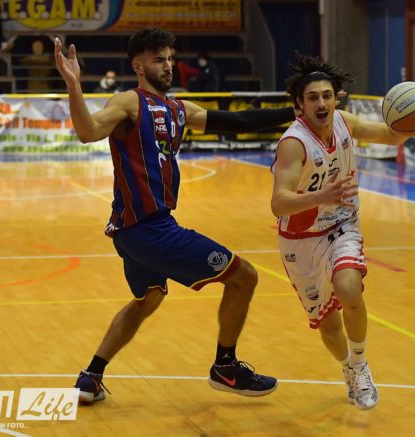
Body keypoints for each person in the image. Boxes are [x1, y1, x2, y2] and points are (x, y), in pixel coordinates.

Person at [54, 27, 301, 403]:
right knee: (244, 277)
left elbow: (237, 122)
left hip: (131, 232)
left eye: (170, 58)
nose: (168, 65)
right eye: (158, 59)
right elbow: (87, 132)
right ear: (138, 66)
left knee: (148, 299)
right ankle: (226, 367)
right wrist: (74, 86)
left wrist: (295, 113)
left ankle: (91, 376)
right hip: (152, 229)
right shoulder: (129, 102)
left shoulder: (179, 110)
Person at [270, 54, 415, 409]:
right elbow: (279, 204)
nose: (321, 103)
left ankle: (361, 363)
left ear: (336, 98)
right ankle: (348, 368)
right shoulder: (294, 143)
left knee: (349, 287)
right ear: (300, 104)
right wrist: (319, 196)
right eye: (313, 98)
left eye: (327, 95)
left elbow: (390, 136)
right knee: (327, 325)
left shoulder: (344, 122)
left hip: (341, 224)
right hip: (300, 240)